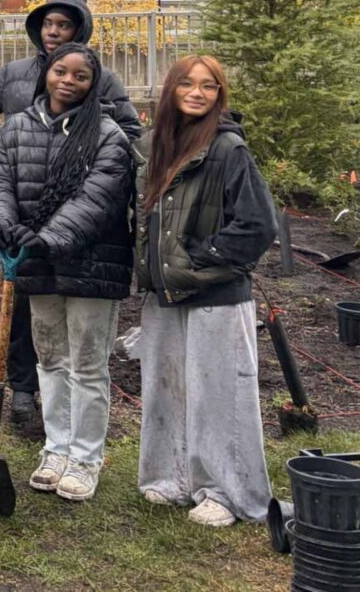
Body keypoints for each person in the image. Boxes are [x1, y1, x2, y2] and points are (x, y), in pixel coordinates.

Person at [0, 0, 143, 423]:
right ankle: (25, 389)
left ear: (80, 31)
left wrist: (89, 124)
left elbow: (130, 131)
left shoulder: (103, 80)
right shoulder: (15, 74)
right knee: (28, 310)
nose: (54, 31)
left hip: (81, 213)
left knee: (74, 324)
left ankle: (69, 417)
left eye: (64, 25)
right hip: (25, 207)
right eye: (47, 24)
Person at [0, 43, 135, 503]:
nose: (68, 80)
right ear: (46, 74)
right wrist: (0, 225)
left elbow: (99, 199)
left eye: (80, 76)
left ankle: (86, 458)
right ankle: (56, 449)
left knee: (88, 364)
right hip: (35, 261)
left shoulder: (107, 135)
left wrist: (47, 238)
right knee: (50, 359)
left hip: (91, 264)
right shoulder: (16, 128)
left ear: (92, 83)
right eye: (60, 71)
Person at [133, 56, 276, 526]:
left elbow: (257, 225)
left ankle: (226, 493)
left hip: (215, 293)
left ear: (220, 95)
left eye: (209, 87)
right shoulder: (154, 145)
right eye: (188, 85)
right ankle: (171, 479)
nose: (198, 93)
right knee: (165, 390)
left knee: (220, 397)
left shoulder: (227, 148)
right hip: (164, 295)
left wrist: (200, 258)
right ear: (171, 90)